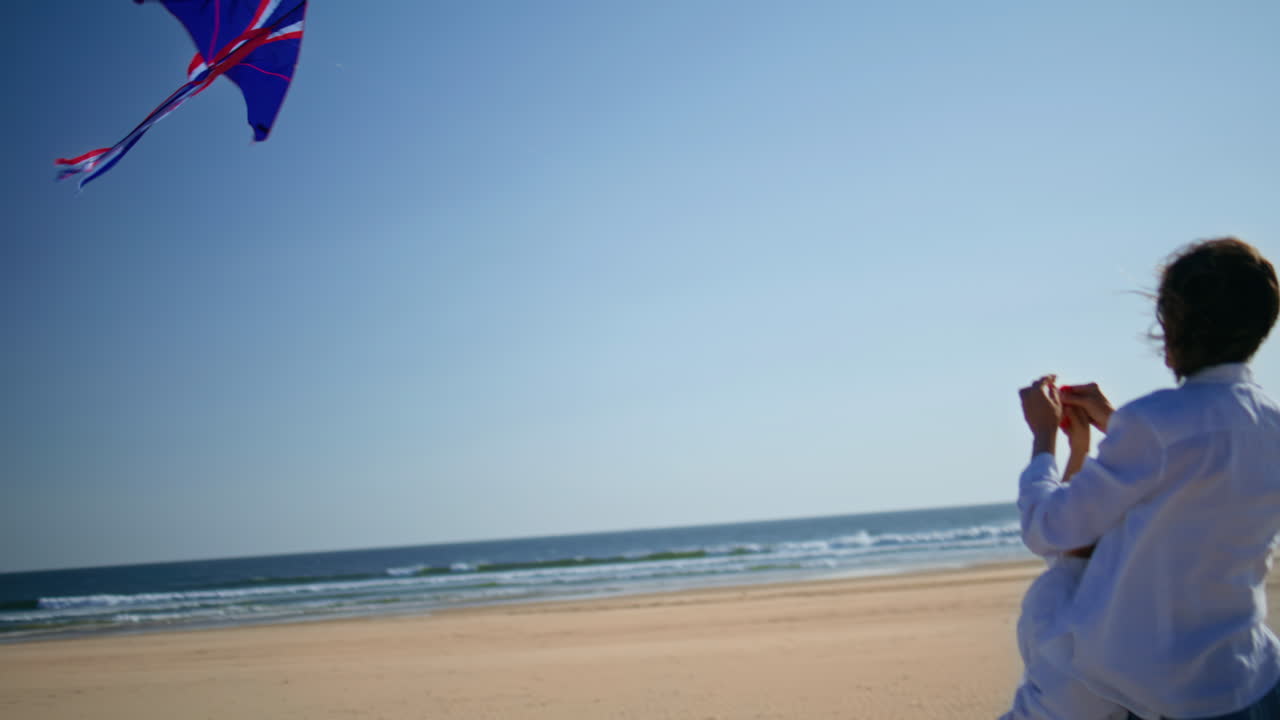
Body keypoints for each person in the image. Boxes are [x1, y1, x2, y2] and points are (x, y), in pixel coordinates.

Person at [1017, 237, 1280, 720]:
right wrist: (1116, 426)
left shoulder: (1154, 423)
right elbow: (1201, 475)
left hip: (1164, 693)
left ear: (1172, 324)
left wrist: (1044, 439)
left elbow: (1050, 529)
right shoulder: (1271, 424)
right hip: (1247, 678)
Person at [1002, 397, 1127, 720]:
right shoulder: (1125, 575)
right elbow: (1067, 531)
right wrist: (1080, 449)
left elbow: (1051, 520)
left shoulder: (1058, 596)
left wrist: (1044, 434)